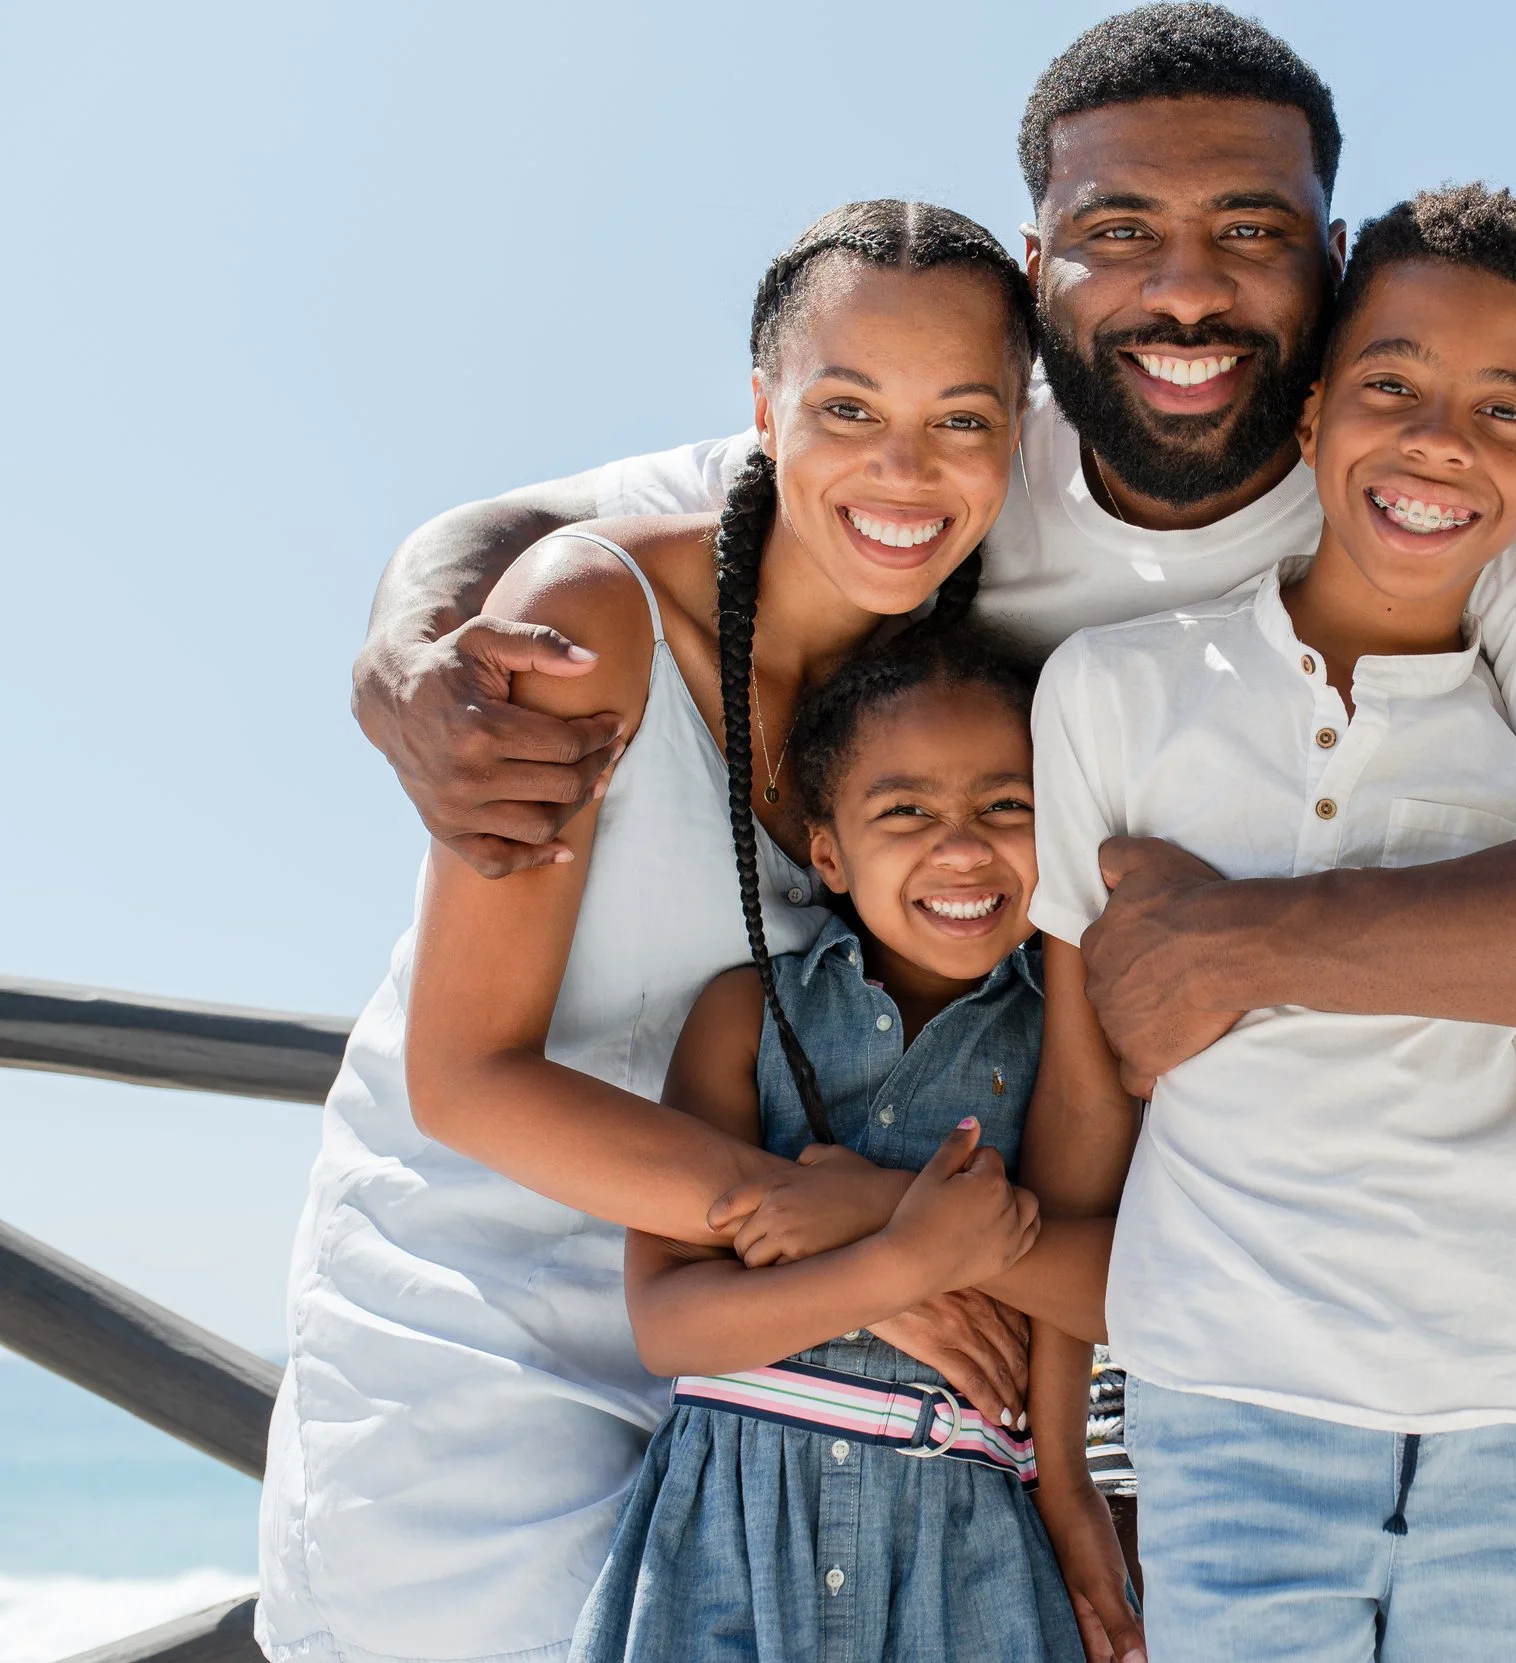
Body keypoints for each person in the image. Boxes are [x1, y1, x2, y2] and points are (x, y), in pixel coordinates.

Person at [342, 2, 1516, 1642]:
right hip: (1209, 1216)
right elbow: (573, 517)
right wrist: (410, 637)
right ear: (1041, 265)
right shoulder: (966, 450)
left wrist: (1252, 945)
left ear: (1329, 258)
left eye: (1248, 234)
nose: (1184, 289)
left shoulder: (1500, 473)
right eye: (1120, 234)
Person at [259, 202, 1071, 1663]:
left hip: (770, 1350)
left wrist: (861, 1263)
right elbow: (466, 1073)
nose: (905, 467)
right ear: (762, 410)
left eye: (962, 416)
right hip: (488, 1317)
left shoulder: (934, 703)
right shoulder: (591, 617)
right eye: (845, 408)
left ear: (1021, 432)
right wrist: (865, 1228)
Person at [1022, 183, 1516, 1663]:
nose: (1436, 441)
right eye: (1394, 386)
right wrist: (1061, 1460)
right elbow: (1083, 1110)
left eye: (1504, 412)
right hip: (1230, 1418)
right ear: (1309, 419)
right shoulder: (1113, 694)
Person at [574, 629, 1095, 1663]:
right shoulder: (744, 1016)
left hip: (964, 1538)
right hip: (725, 1527)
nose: (961, 847)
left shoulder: (1066, 1044)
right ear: (826, 851)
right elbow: (671, 1323)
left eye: (1007, 807)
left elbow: (1116, 1289)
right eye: (906, 811)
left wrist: (866, 1205)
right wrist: (902, 1259)